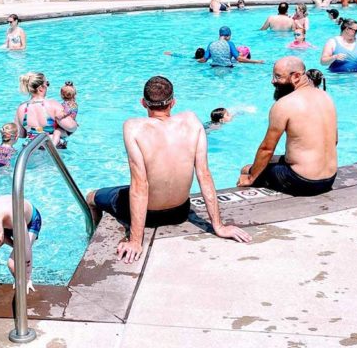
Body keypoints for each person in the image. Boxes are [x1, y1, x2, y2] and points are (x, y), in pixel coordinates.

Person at [87, 76, 251, 263]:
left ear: (143, 103)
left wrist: (135, 240)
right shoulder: (191, 120)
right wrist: (219, 226)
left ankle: (90, 237)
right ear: (173, 102)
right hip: (180, 211)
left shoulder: (133, 127)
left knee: (91, 197)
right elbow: (203, 174)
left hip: (149, 216)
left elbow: (140, 185)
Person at [238, 57, 338, 196]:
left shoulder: (284, 104)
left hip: (303, 181)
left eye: (278, 76)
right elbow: (335, 141)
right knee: (272, 161)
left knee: (247, 169)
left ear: (296, 76)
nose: (273, 81)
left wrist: (251, 178)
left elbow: (267, 149)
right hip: (329, 179)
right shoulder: (325, 97)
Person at [14, 72, 78, 147]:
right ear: (41, 88)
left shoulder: (21, 108)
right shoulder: (53, 105)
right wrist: (74, 122)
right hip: (52, 150)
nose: (47, 87)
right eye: (47, 84)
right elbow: (70, 127)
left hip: (31, 149)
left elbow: (21, 134)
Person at [200, 26, 264, 68]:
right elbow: (239, 59)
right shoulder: (229, 44)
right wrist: (256, 61)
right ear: (227, 36)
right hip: (227, 68)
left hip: (213, 68)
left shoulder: (211, 44)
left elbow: (204, 60)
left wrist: (195, 61)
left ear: (220, 35)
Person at [57, 81, 79, 148]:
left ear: (61, 95)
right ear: (74, 94)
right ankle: (62, 142)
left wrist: (58, 116)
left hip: (66, 129)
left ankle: (59, 143)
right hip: (69, 128)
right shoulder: (74, 104)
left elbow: (66, 112)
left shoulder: (67, 104)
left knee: (56, 132)